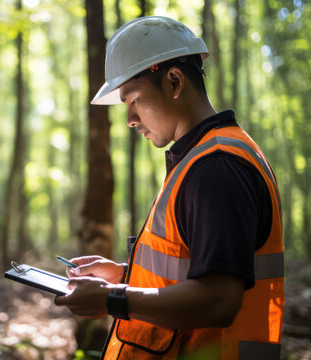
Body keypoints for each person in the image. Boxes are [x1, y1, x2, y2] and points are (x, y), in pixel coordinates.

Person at [54, 16, 284, 359]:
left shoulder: (216, 167)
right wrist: (122, 275)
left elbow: (218, 299)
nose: (130, 119)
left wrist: (111, 299)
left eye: (133, 100)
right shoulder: (200, 160)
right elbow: (191, 272)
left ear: (174, 81)